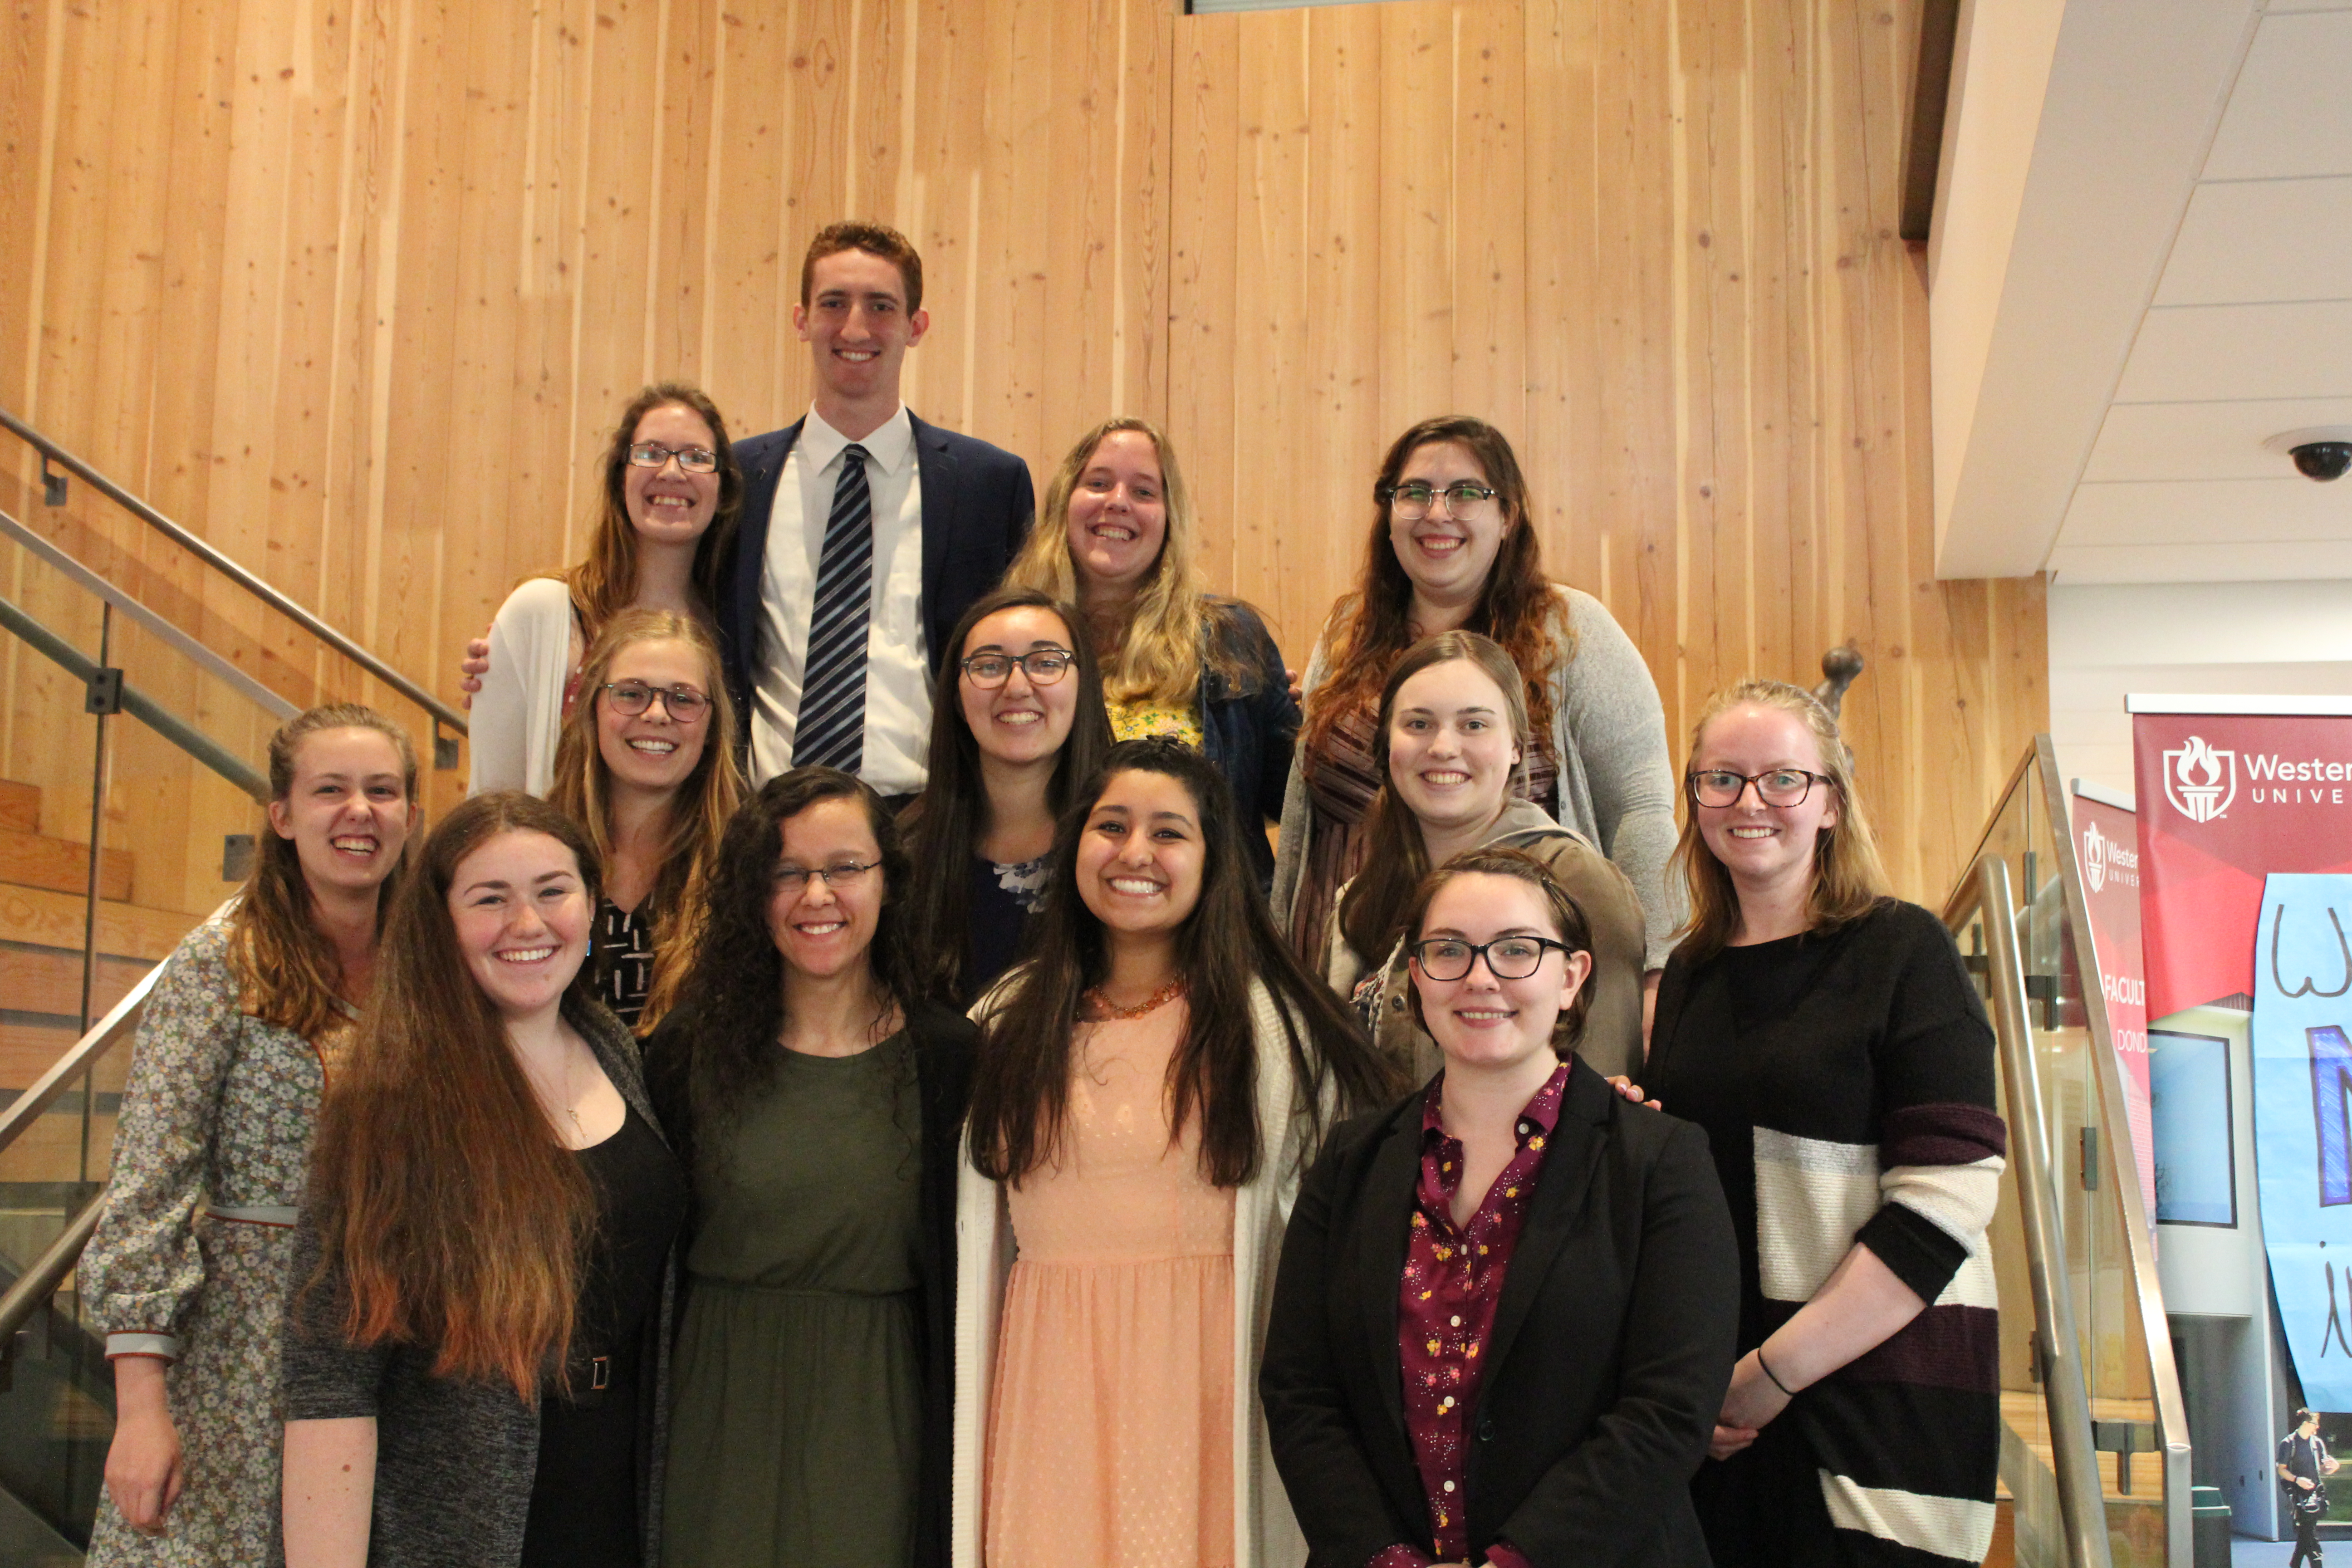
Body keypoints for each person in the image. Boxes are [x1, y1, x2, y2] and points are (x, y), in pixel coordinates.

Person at [953, 738, 1399, 1568]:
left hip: (1203, 1394)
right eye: (1110, 825)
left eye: (1167, 833)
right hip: (1048, 1394)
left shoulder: (1272, 1035)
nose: (1133, 854)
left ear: (1212, 859)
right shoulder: (1006, 1023)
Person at [1261, 847, 1740, 1568]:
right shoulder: (1349, 1163)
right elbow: (1301, 1391)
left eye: (1518, 950)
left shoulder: (1660, 1161)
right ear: (1416, 974)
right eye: (1448, 950)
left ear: (1573, 977)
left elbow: (1670, 1408)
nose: (1481, 976)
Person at [1639, 679, 2006, 1568]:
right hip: (1727, 1420)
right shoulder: (1687, 973)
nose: (1748, 802)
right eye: (1720, 779)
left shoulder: (1903, 950)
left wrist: (1771, 1375)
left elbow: (1946, 1202)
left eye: (1782, 779)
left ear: (1831, 802)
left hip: (1878, 1408)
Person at [281, 792, 686, 1568]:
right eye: (489, 899)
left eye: (551, 891)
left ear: (593, 904)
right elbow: (332, 1378)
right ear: (441, 922)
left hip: (615, 1501)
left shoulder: (612, 1048)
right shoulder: (390, 1105)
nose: (527, 925)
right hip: (461, 1524)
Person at [81, 705, 418, 1567]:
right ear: (282, 814)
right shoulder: (221, 961)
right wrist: (141, 1407)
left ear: (410, 815)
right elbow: (149, 1179)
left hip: (394, 1333)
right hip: (238, 1353)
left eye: (382, 790)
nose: (360, 811)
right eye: (331, 790)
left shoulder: (433, 969)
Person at [642, 769, 976, 1568]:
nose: (815, 895)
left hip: (880, 1410)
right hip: (714, 1402)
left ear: (888, 882)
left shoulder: (950, 1057)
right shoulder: (688, 1049)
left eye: (844, 868)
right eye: (786, 872)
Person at [1273, 416, 1682, 996]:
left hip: (1507, 988)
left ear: (1508, 516)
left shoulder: (1570, 631)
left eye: (1467, 492)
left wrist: (1657, 976)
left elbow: (1639, 811)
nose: (1437, 512)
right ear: (1389, 516)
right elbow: (1303, 818)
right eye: (1414, 493)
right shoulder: (1347, 632)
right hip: (1337, 982)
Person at [716, 221, 1037, 797]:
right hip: (766, 814)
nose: (856, 327)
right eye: (834, 303)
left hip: (928, 820)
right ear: (801, 320)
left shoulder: (990, 486)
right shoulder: (738, 480)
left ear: (916, 327)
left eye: (881, 306)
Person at [1322, 632, 1649, 1083]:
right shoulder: (1360, 898)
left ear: (1516, 746)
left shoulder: (1575, 882)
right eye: (1418, 724)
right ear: (1386, 747)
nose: (1443, 747)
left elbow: (1602, 1095)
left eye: (1474, 725)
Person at [1003, 416, 1297, 883]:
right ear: (1064, 503)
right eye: (1099, 483)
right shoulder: (1010, 639)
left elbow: (1294, 801)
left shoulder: (1229, 638)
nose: (1118, 503)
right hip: (1049, 922)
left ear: (1168, 517)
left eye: (1143, 492)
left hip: (1209, 934)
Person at [470, 383, 745, 795]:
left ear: (723, 489)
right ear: (621, 478)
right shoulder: (542, 614)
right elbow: (492, 803)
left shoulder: (735, 631)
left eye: (696, 458)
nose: (672, 473)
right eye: (650, 454)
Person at [900, 586, 1115, 1006]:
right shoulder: (903, 854)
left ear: (1083, 687)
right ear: (958, 699)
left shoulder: (1126, 848)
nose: (1017, 686)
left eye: (1046, 663)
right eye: (990, 666)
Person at [545, 609, 747, 1029]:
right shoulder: (536, 853)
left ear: (711, 727)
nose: (657, 714)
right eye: (632, 694)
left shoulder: (745, 867)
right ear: (593, 708)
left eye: (683, 698)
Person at [2281, 1409, 2338, 1568]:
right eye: (2315, 1423)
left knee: (2305, 1535)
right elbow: (2281, 1469)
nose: (2317, 1427)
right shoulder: (2289, 1443)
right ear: (2306, 1423)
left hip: (2314, 1496)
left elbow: (2323, 1468)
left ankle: (2295, 1564)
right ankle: (2316, 1563)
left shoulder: (2317, 1443)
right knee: (2310, 1536)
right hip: (2298, 1496)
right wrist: (2297, 1480)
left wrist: (2334, 1467)